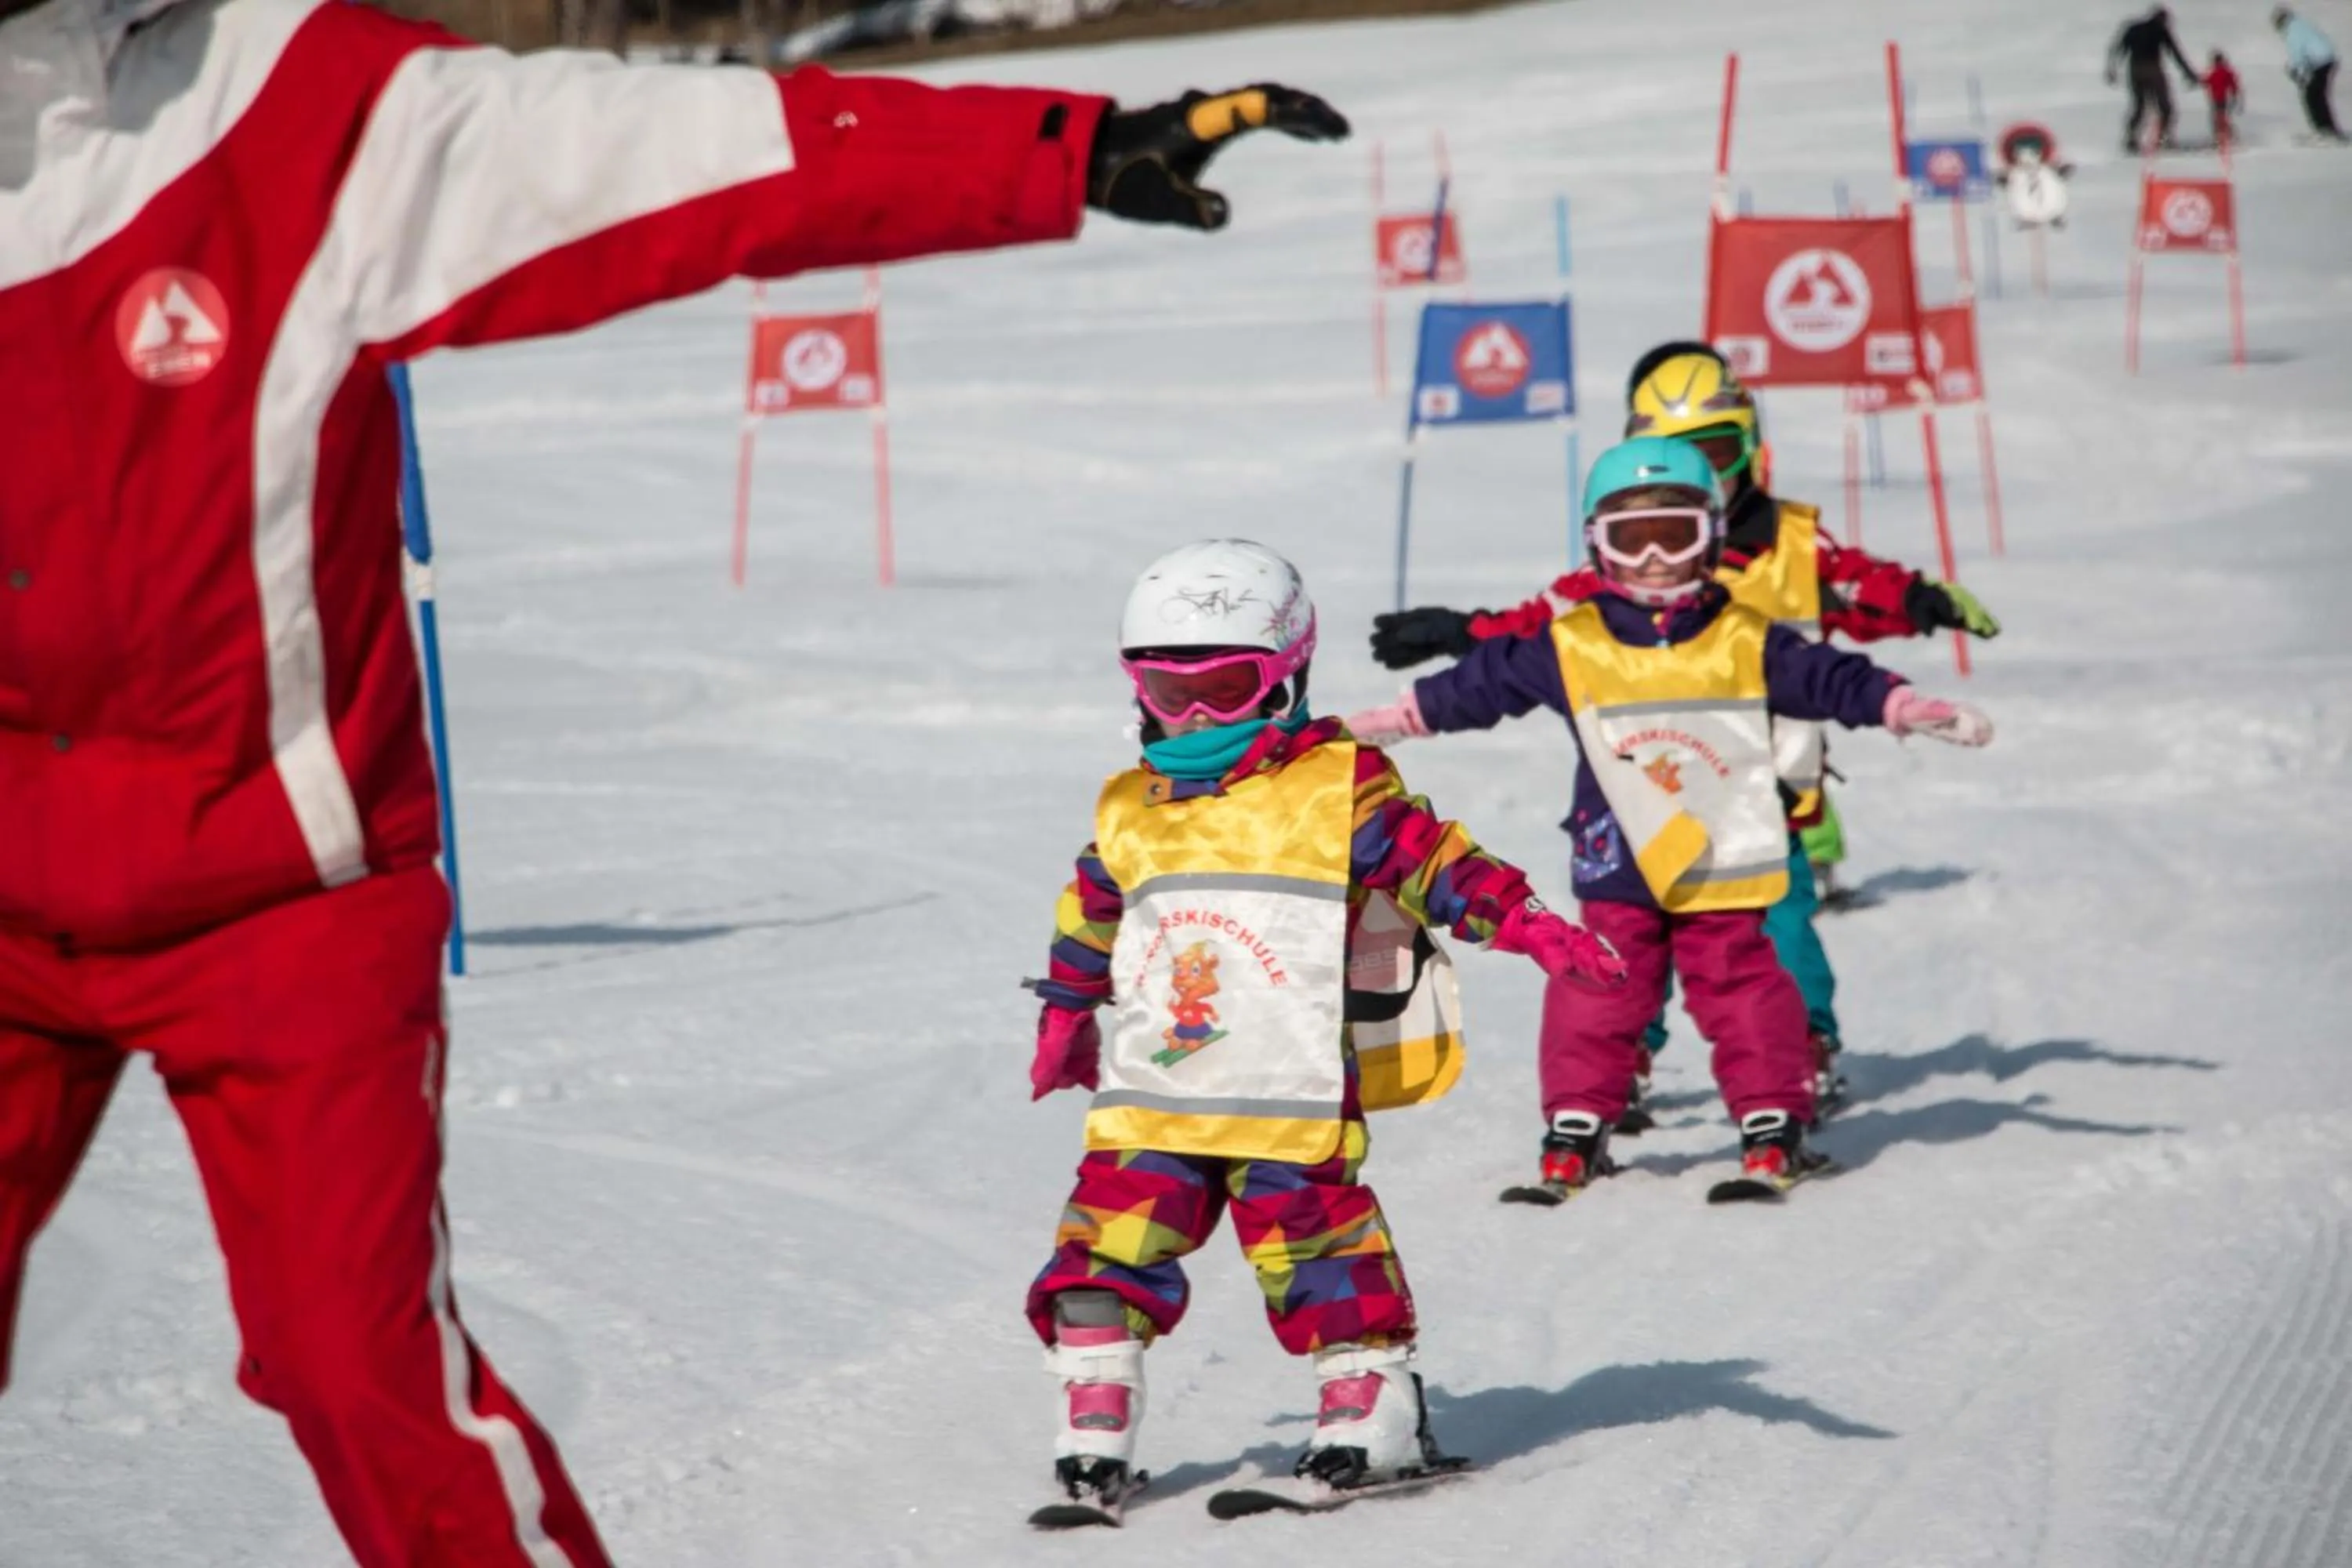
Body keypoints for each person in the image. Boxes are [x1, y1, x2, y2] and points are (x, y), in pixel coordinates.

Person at [0, 0, 1350, 1556]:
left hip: (272, 888)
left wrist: (1060, 149)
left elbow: (658, 153)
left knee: (347, 1362)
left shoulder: (279, 109)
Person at [1023, 540, 1624, 1520]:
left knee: (1318, 1246)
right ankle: (1094, 1415)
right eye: (1172, 692)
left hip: (1288, 1092)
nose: (1198, 716)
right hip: (1152, 1095)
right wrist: (1064, 1011)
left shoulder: (1337, 790)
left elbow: (1441, 865)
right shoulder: (1133, 809)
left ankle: (1368, 1406)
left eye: (1225, 687)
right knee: (1105, 1246)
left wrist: (1528, 923)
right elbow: (1090, 914)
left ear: (1288, 677)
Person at [1347, 439, 1994, 1202]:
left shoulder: (1745, 638)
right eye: (1631, 537)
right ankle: (1577, 1124)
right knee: (1598, 982)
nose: (1654, 557)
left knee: (1743, 983)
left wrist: (1902, 705)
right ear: (1597, 545)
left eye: (1675, 534)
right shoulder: (1575, 641)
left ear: (1712, 537)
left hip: (1726, 852)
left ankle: (1770, 1119)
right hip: (1621, 855)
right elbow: (1484, 683)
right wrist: (1392, 720)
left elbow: (1832, 678)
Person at [2108, 5, 2201, 151]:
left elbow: (2118, 48)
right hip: (2152, 69)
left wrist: (2111, 69)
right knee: (2165, 106)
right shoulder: (2161, 30)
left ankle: (2131, 138)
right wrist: (2190, 74)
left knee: (2139, 105)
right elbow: (2176, 53)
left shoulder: (2133, 28)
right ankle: (2163, 138)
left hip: (2135, 70)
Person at [2275, 6, 2345, 139]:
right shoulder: (2301, 24)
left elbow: (2298, 53)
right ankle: (2328, 129)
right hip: (2326, 59)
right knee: (2317, 95)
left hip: (2321, 61)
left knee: (2312, 96)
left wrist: (2295, 70)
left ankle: (2323, 130)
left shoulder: (2292, 31)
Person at [2205, 49, 2245, 147]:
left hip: (2222, 99)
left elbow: (2233, 84)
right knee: (2219, 119)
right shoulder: (2220, 72)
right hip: (2217, 99)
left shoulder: (2222, 72)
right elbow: (2208, 82)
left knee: (2219, 119)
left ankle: (2225, 137)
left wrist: (2235, 94)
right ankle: (2222, 137)